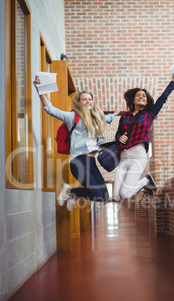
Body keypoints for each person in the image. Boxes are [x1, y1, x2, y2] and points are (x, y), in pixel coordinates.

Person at [33, 76, 119, 211]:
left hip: (91, 163)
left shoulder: (97, 118)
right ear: (79, 102)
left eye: (89, 99)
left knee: (103, 196)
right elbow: (50, 109)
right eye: (84, 99)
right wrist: (40, 90)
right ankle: (69, 191)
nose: (88, 101)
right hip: (78, 161)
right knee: (96, 194)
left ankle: (74, 194)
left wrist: (122, 114)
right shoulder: (73, 117)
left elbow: (108, 118)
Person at [113, 73, 174, 201]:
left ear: (147, 100)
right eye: (138, 95)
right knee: (116, 196)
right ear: (133, 100)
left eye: (144, 96)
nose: (141, 97)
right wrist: (119, 138)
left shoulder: (149, 114)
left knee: (125, 194)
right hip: (123, 157)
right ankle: (144, 186)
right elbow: (118, 133)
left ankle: (145, 180)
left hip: (138, 157)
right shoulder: (125, 116)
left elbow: (163, 98)